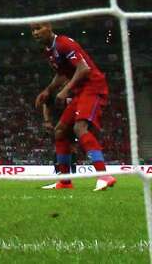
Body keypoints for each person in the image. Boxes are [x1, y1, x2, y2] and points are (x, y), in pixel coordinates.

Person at [31, 22, 115, 191]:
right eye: (32, 30)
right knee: (60, 130)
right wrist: (48, 90)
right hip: (80, 91)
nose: (35, 33)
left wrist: (65, 91)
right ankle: (65, 181)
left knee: (79, 128)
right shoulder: (49, 51)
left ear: (49, 27)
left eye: (38, 28)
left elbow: (83, 69)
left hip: (93, 86)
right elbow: (62, 74)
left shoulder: (63, 43)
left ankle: (104, 176)